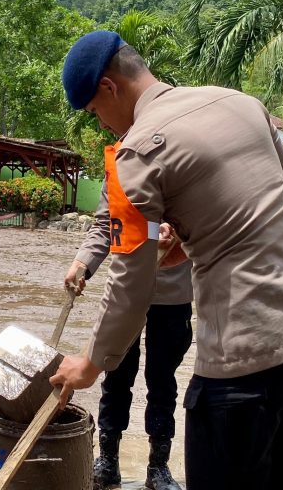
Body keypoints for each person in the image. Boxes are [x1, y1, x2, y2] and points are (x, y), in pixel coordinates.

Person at [50, 32, 283, 489]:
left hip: (244, 361)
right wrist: (195, 239)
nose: (102, 124)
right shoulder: (240, 103)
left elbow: (131, 280)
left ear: (109, 87)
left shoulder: (137, 153)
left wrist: (90, 362)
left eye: (94, 112)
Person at [65, 206, 192, 489]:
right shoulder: (117, 167)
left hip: (174, 296)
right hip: (126, 291)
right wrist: (82, 262)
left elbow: (198, 221)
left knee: (162, 381)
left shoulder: (182, 163)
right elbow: (105, 224)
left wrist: (169, 232)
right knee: (116, 374)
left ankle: (158, 467)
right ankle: (108, 460)